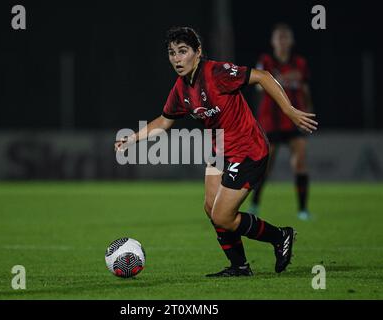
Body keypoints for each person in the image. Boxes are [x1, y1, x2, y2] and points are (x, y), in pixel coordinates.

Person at [114, 27, 317, 277]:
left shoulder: (217, 73)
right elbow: (164, 121)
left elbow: (263, 77)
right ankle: (240, 267)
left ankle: (280, 236)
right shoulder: (180, 88)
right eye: (171, 53)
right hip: (220, 150)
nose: (177, 58)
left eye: (183, 51)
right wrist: (133, 138)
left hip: (247, 150)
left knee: (222, 217)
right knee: (211, 209)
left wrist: (290, 111)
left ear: (197, 52)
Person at [250, 23, 314, 221]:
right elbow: (258, 87)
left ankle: (303, 210)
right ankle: (255, 204)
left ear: (291, 41)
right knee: (266, 167)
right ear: (273, 41)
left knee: (300, 162)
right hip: (270, 121)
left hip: (294, 120)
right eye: (279, 37)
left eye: (286, 37)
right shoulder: (266, 61)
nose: (282, 41)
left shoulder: (300, 63)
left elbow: (304, 89)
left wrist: (309, 110)